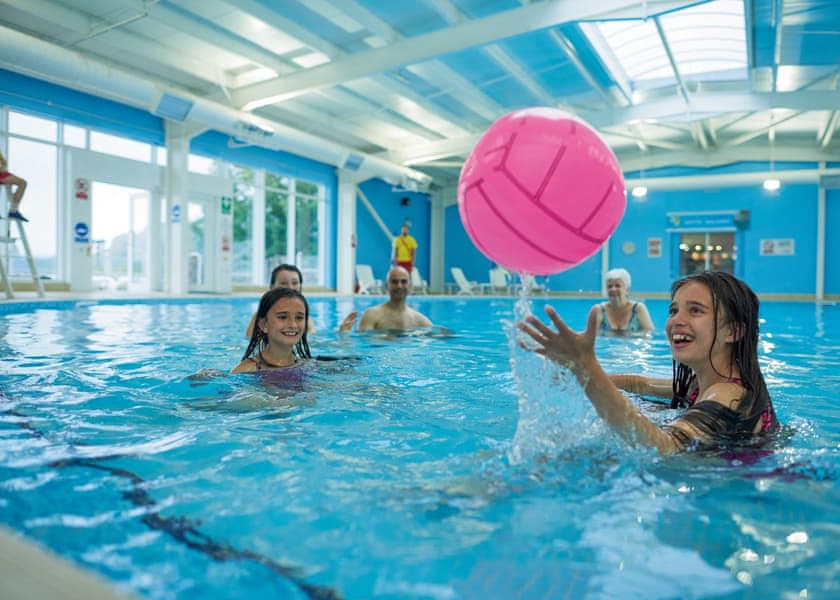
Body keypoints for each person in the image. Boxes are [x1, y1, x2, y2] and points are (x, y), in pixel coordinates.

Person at [518, 271, 779, 454]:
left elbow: (664, 447)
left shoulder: (728, 394)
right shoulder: (702, 384)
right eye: (674, 310)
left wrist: (587, 364)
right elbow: (637, 383)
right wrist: (579, 375)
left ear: (733, 331)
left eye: (696, 310)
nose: (677, 319)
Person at [233, 287, 313, 373]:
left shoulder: (307, 366)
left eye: (299, 317)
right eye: (282, 317)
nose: (293, 324)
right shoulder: (247, 370)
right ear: (264, 325)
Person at [356, 266, 432, 332]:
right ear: (386, 285)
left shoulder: (420, 321)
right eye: (394, 282)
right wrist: (345, 334)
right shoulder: (372, 315)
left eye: (404, 281)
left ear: (410, 286)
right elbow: (362, 343)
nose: (399, 286)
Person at [590, 268, 654, 335]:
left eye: (617, 285)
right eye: (609, 286)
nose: (613, 289)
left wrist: (632, 336)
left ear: (627, 290)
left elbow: (649, 333)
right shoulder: (600, 310)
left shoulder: (638, 309)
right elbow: (592, 336)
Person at [0, 150, 29, 222]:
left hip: (2, 173)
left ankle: (13, 210)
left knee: (23, 183)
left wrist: (3, 167)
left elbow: (4, 162)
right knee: (22, 183)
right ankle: (13, 211)